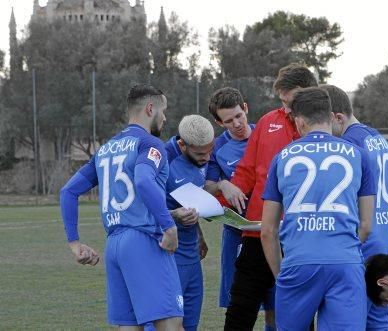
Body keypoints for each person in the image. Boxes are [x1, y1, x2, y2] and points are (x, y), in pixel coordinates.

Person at [60, 84, 183, 329]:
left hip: (114, 246)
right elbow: (143, 180)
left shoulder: (105, 150)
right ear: (150, 108)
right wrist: (170, 228)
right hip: (144, 240)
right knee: (172, 325)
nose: (165, 117)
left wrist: (75, 244)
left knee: (129, 327)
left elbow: (68, 192)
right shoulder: (150, 144)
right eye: (163, 110)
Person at [261, 87, 376, 330]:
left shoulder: (282, 157)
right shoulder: (360, 155)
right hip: (345, 263)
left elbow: (267, 231)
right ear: (331, 115)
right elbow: (366, 225)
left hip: (298, 262)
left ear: (299, 121)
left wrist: (280, 275)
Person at [223, 64, 318, 331]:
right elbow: (248, 170)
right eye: (283, 102)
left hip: (300, 236)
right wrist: (222, 200)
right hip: (257, 231)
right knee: (239, 311)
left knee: (299, 314)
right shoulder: (267, 122)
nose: (287, 109)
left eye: (292, 102)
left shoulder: (322, 129)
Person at [321, 84, 388, 331]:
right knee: (378, 318)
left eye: (324, 125)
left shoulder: (347, 147)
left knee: (351, 318)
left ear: (337, 117)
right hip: (383, 242)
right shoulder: (378, 139)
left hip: (359, 244)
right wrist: (384, 228)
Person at [204, 87, 277, 323]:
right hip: (238, 235)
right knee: (241, 308)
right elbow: (207, 187)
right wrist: (223, 185)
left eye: (239, 115)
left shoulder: (267, 134)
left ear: (245, 107)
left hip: (274, 232)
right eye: (228, 120)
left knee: (276, 308)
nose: (236, 123)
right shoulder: (216, 148)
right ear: (218, 122)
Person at [163, 114, 214, 331]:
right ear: (182, 145)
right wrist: (174, 214)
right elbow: (142, 208)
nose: (207, 158)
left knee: (190, 324)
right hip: (168, 257)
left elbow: (191, 200)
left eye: (209, 151)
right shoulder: (161, 159)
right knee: (165, 325)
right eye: (201, 154)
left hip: (192, 254)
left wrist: (199, 234)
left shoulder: (202, 157)